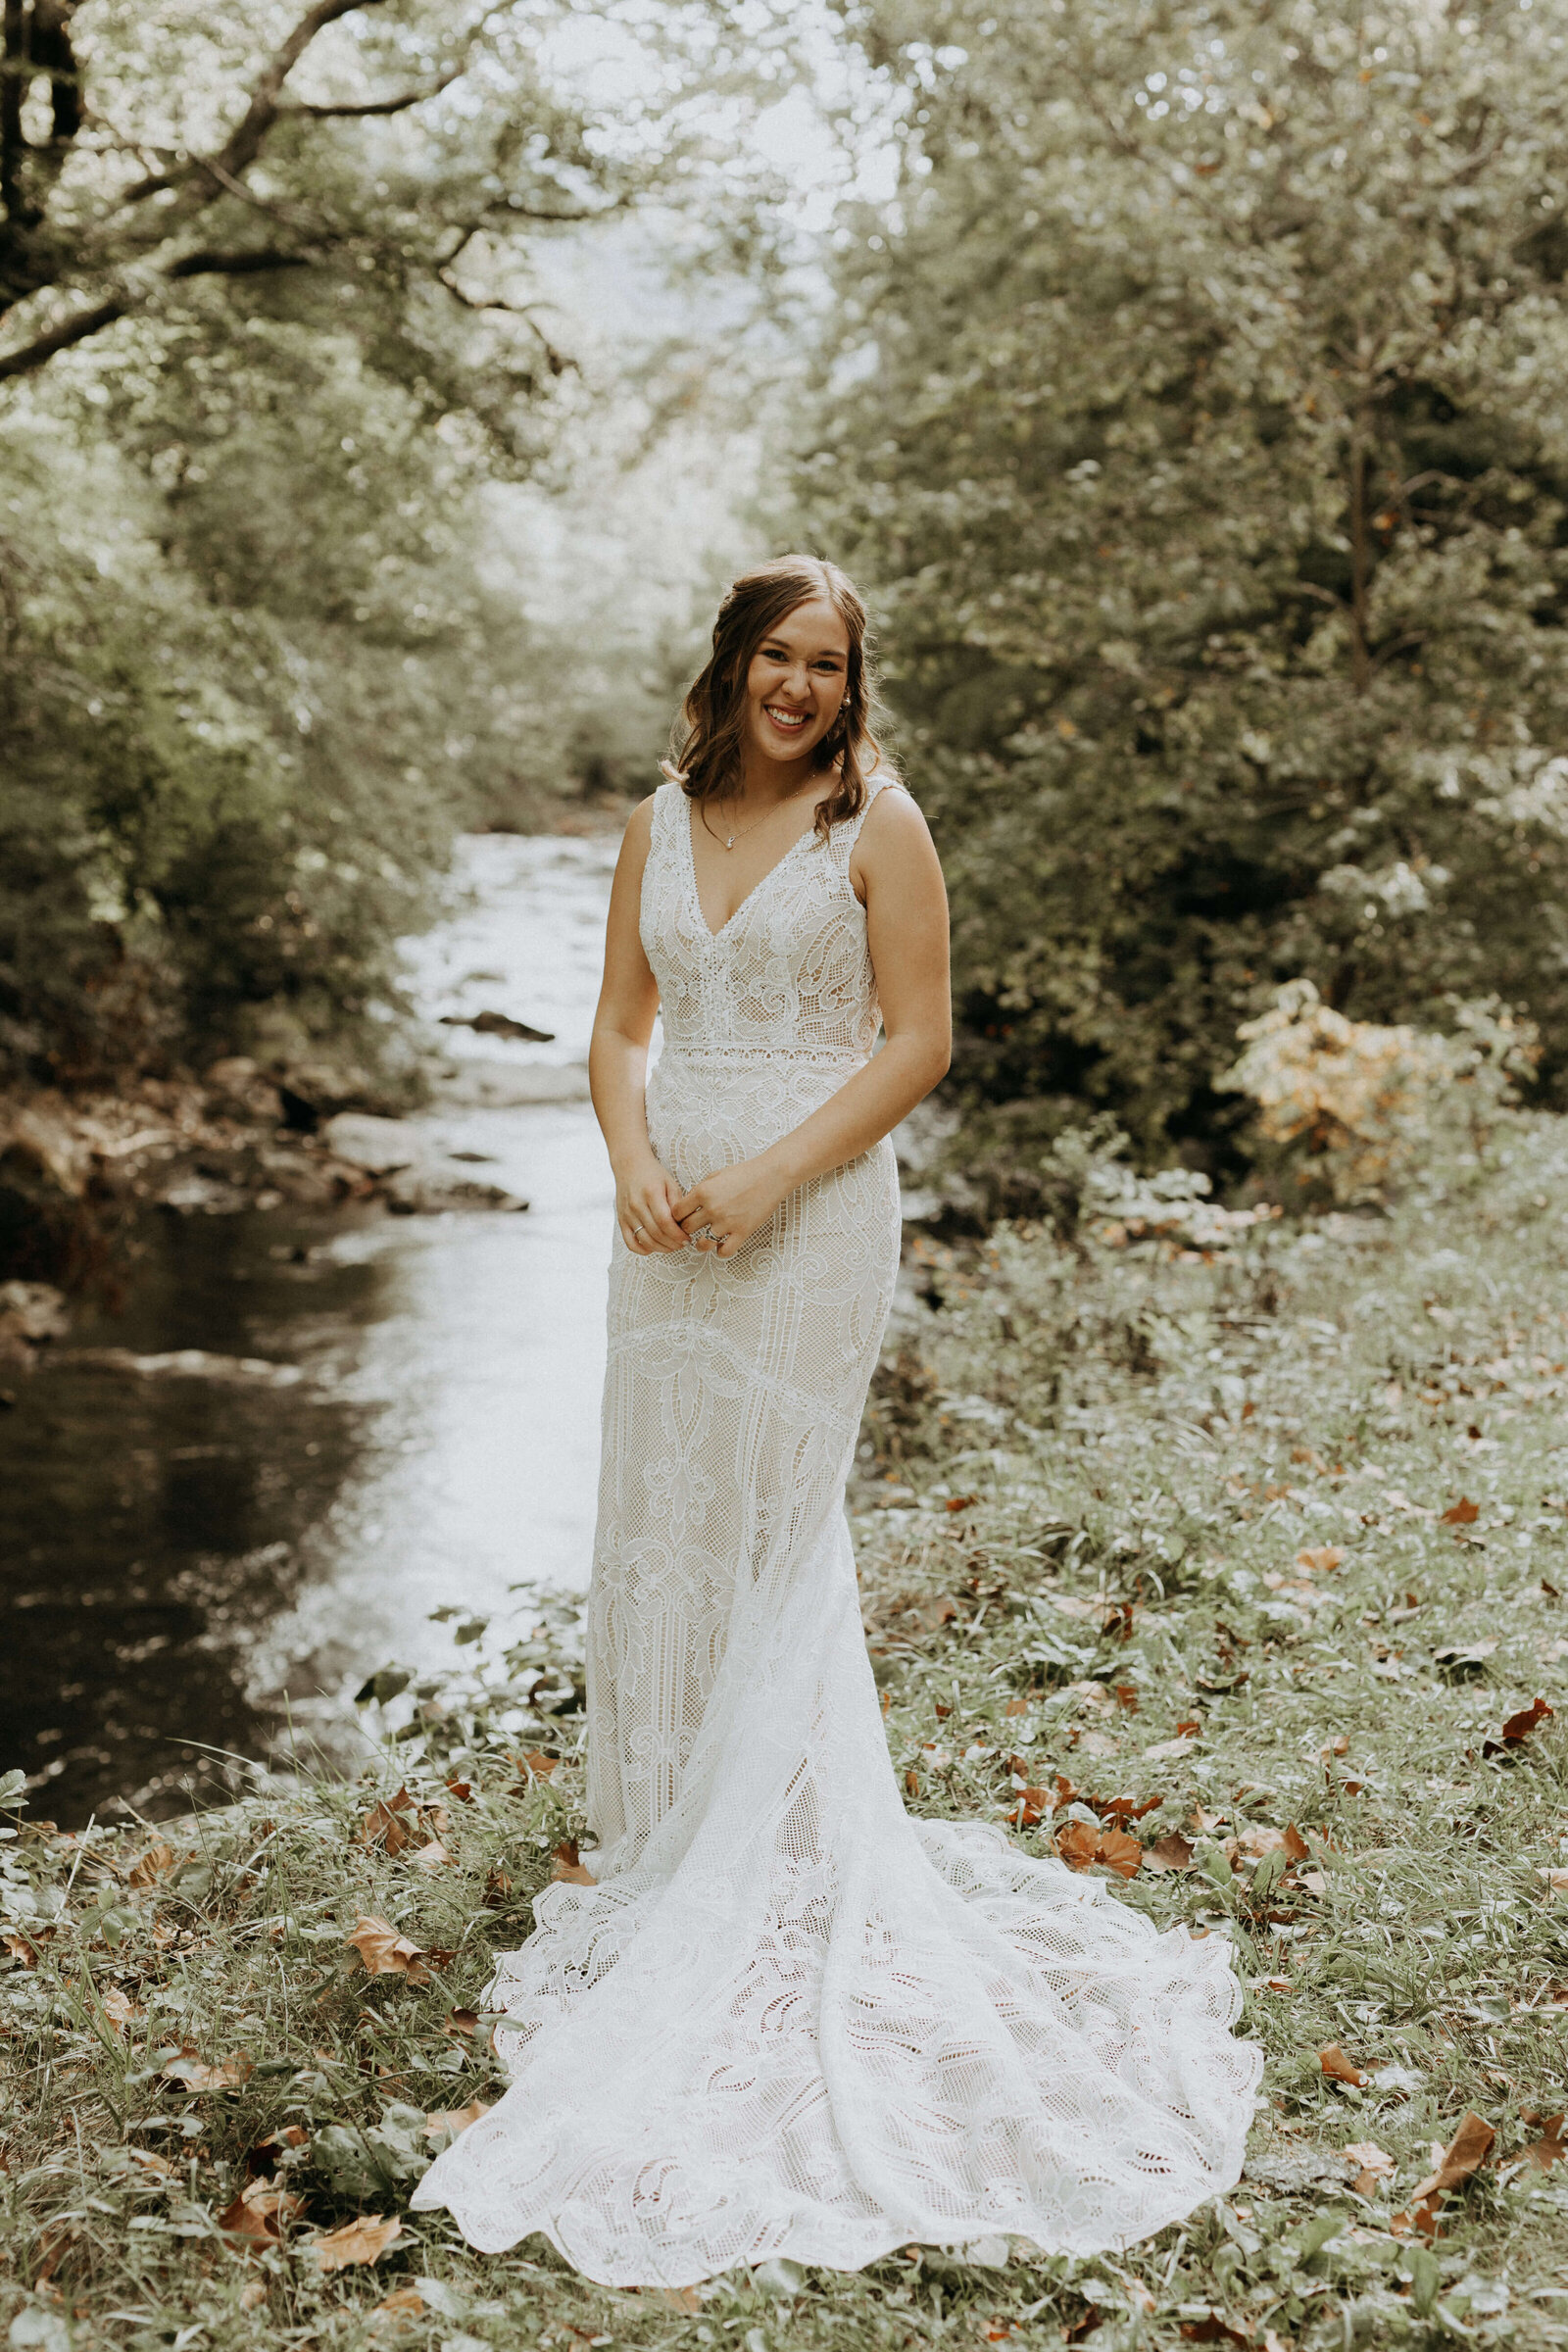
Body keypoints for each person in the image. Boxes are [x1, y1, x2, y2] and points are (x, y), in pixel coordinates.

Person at [414, 556, 1260, 2285]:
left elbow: (920, 1041)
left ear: (850, 685)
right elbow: (617, 1028)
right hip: (670, 1226)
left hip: (812, 1217)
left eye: (829, 664)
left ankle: (782, 1866)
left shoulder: (877, 826)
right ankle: (669, 1855)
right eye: (777, 658)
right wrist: (639, 1166)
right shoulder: (658, 819)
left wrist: (770, 1174)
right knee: (661, 1522)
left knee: (775, 1535)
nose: (801, 687)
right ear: (731, 666)